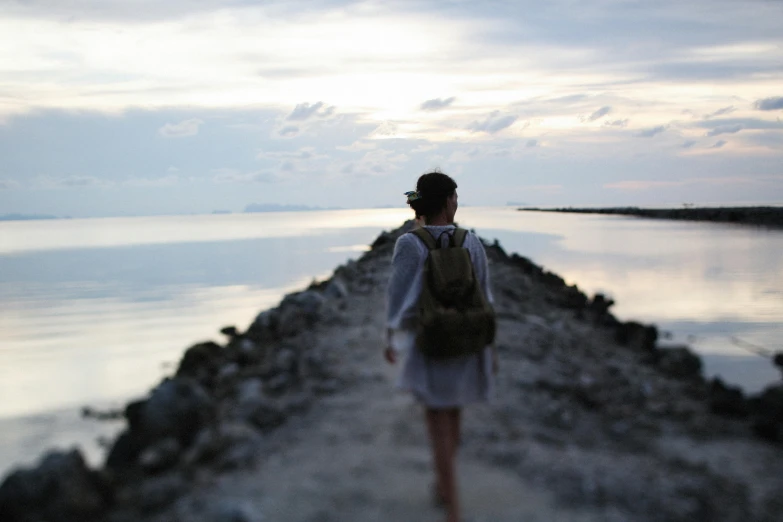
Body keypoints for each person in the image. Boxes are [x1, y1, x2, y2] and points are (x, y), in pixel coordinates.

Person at [384, 171, 496, 522]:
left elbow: (399, 298)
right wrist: (490, 349)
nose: (457, 202)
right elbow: (485, 297)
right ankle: (445, 490)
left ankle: (452, 506)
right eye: (455, 196)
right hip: (467, 339)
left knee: (437, 425)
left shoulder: (409, 244)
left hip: (431, 342)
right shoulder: (471, 241)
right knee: (455, 413)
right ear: (448, 201)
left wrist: (391, 337)